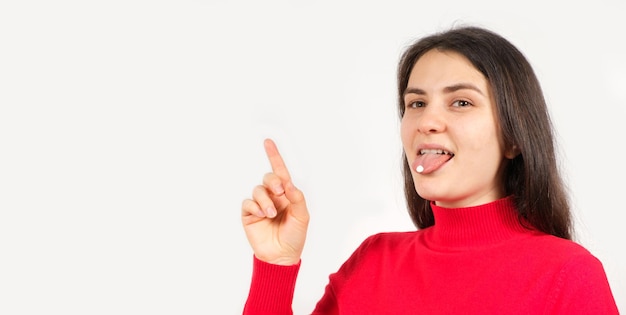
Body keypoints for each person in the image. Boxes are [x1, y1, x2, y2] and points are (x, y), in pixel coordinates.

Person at [239, 25, 620, 314]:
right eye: (416, 103)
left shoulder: (567, 274)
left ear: (514, 138)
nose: (427, 121)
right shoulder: (373, 261)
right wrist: (276, 266)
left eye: (461, 103)